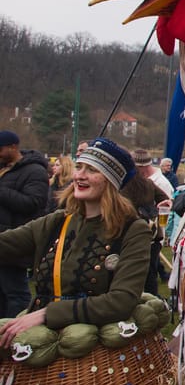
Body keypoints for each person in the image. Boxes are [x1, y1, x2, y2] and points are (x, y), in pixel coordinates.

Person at [0, 137, 150, 345]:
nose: (80, 175)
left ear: (110, 180)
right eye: (79, 167)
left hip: (93, 350)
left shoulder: (134, 230)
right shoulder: (57, 221)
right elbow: (5, 244)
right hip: (38, 340)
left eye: (92, 170)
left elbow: (121, 301)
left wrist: (46, 314)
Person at [0, 130, 50, 317]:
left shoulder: (35, 171)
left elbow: (34, 203)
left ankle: (17, 333)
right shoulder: (3, 168)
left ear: (13, 147)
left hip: (15, 243)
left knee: (16, 294)